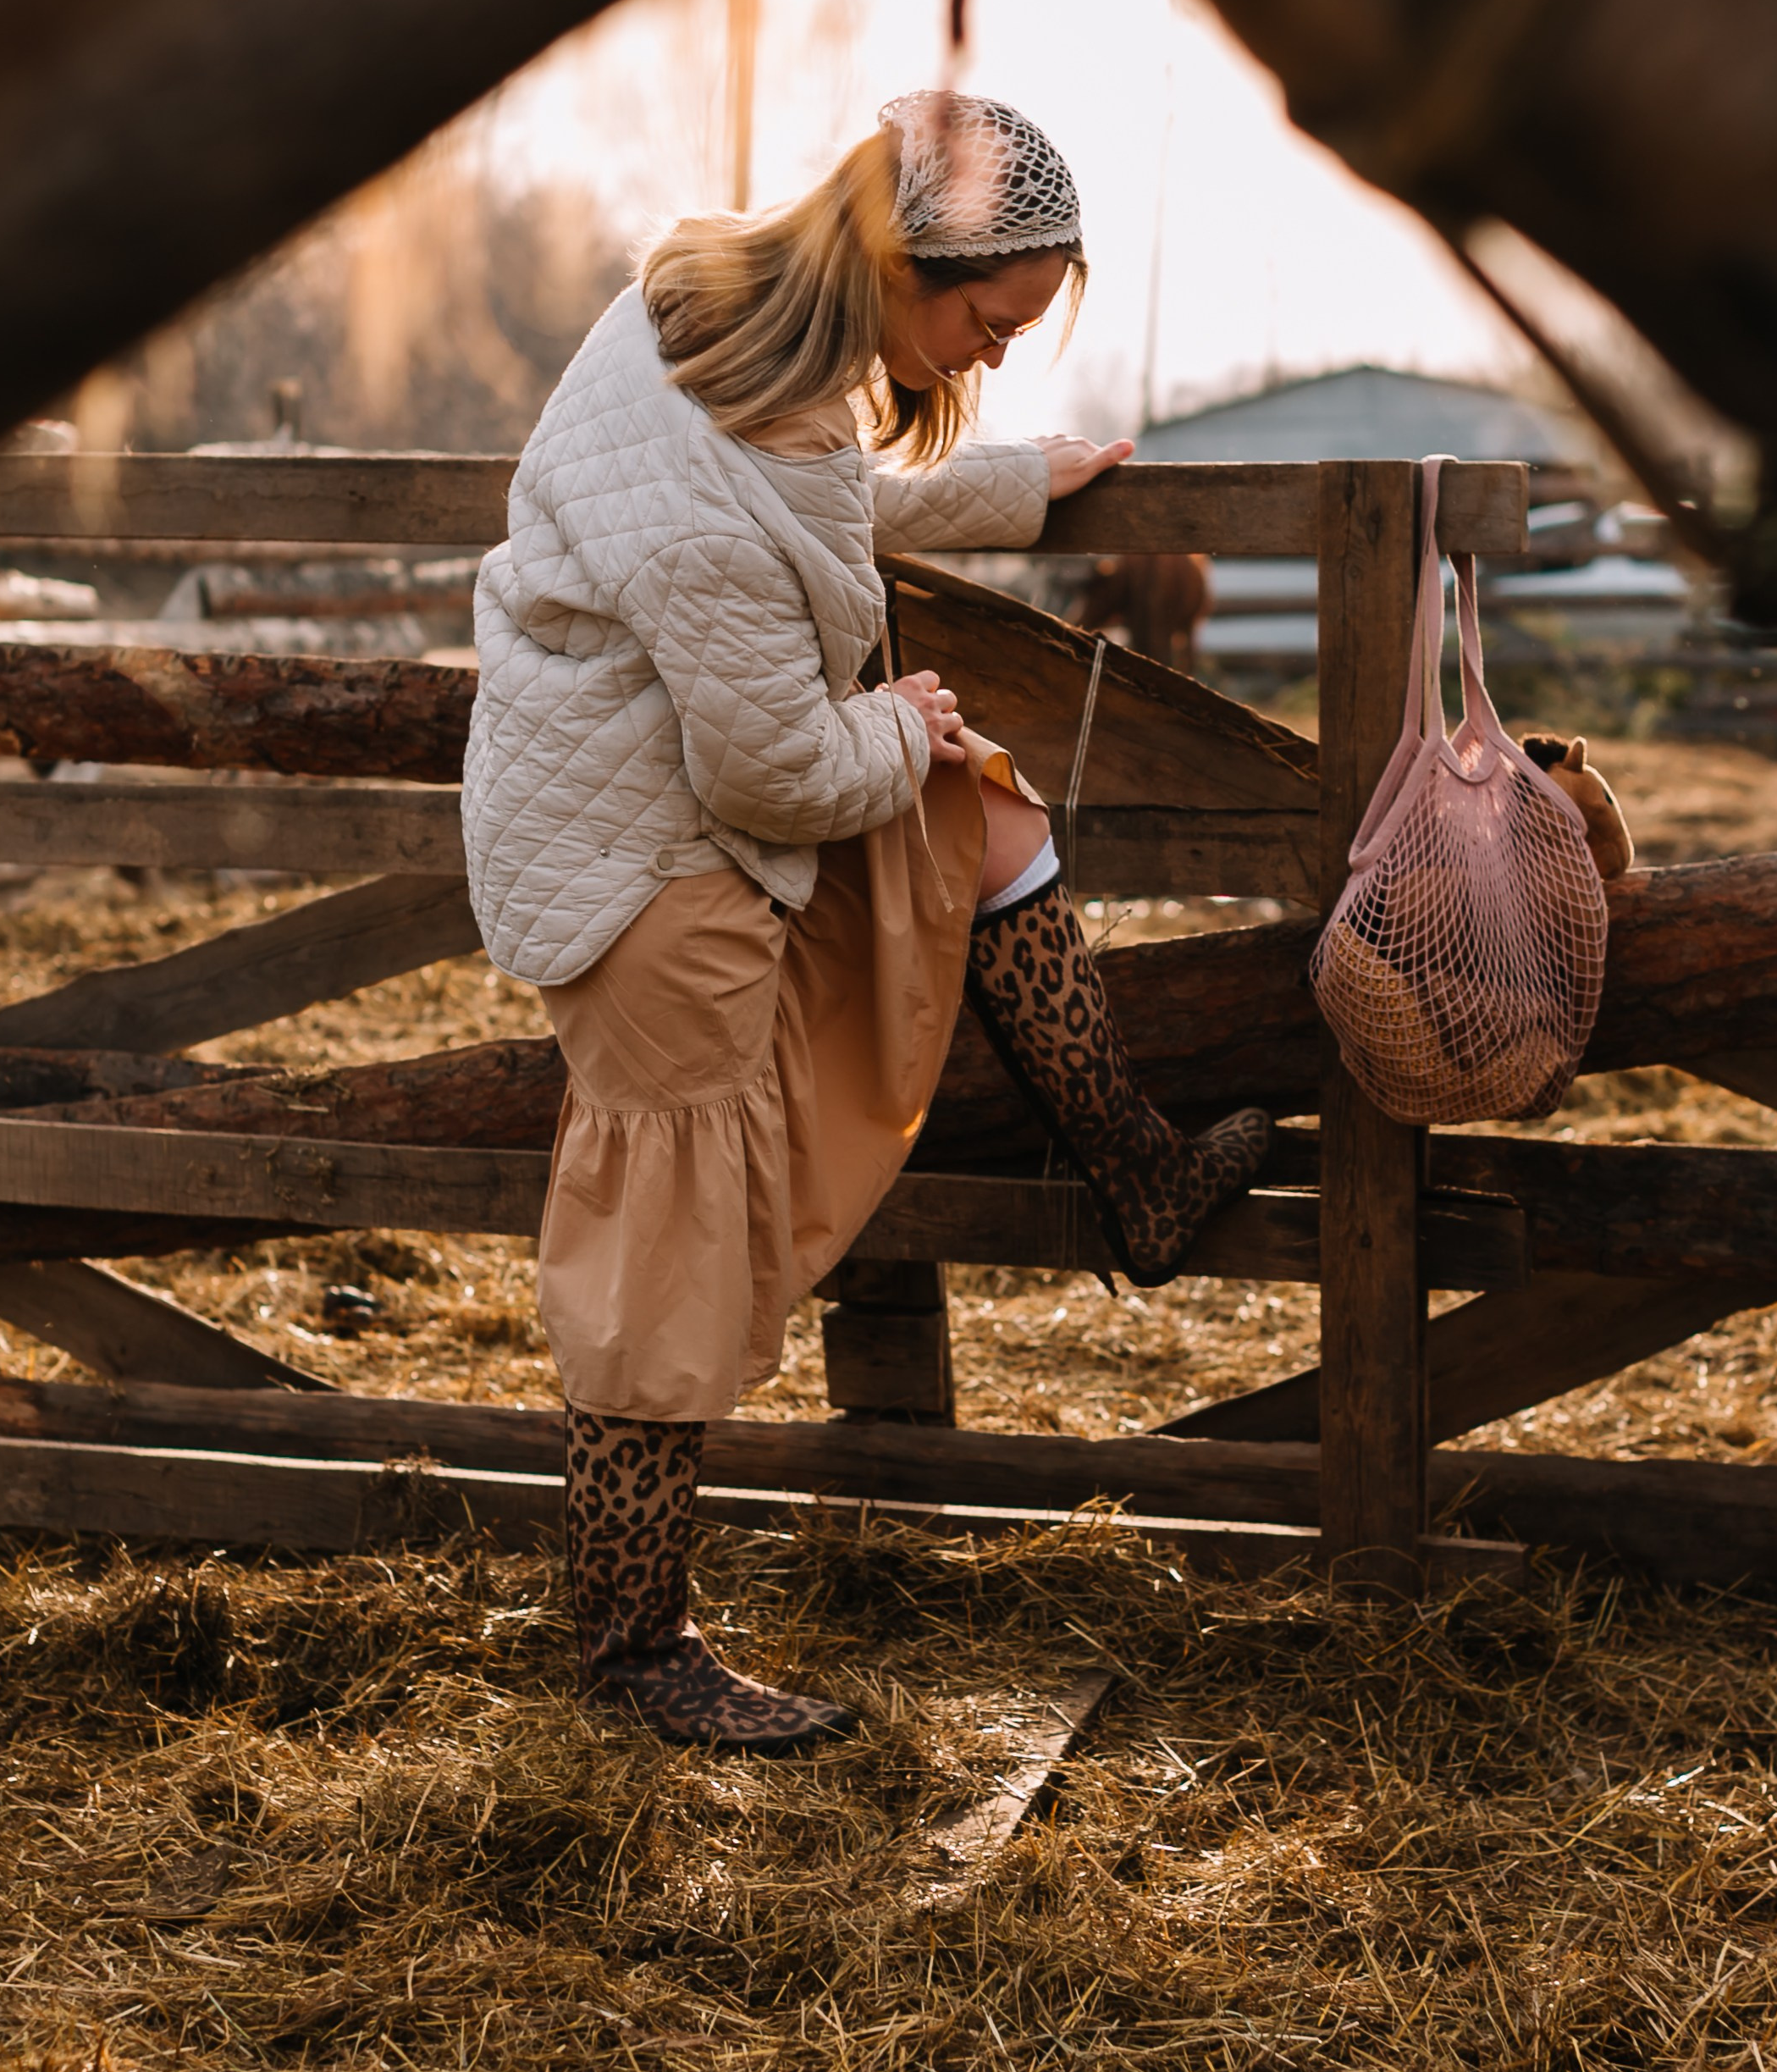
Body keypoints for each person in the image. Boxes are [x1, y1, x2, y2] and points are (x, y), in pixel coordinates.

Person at [463, 95, 1270, 1756]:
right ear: (905, 266)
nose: (991, 347)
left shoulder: (736, 333)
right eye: (985, 318)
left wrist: (997, 488)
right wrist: (898, 718)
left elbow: (809, 500)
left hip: (668, 803)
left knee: (984, 814)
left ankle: (1131, 1166)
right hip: (647, 860)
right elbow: (770, 767)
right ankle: (630, 1648)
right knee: (662, 1245)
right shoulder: (720, 453)